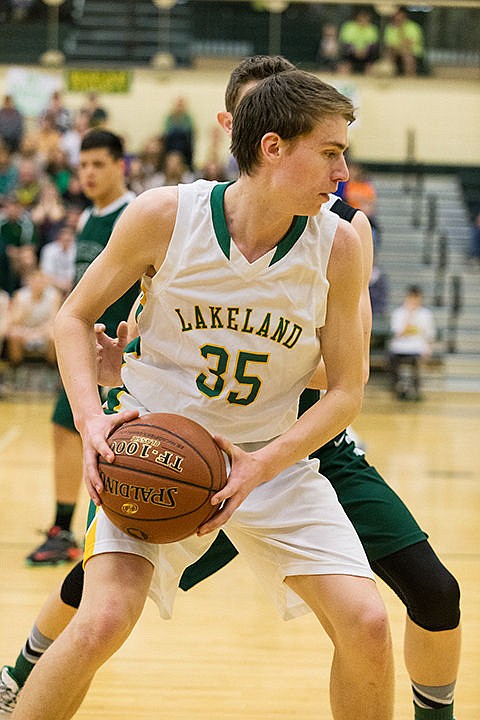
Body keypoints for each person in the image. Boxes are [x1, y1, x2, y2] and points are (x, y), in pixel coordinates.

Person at [0, 56, 461, 720]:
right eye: (331, 152)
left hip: (270, 459)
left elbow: (346, 390)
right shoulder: (166, 214)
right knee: (101, 618)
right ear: (272, 147)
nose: (344, 172)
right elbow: (71, 316)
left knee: (366, 621)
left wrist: (258, 465)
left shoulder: (338, 248)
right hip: (155, 447)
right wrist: (92, 422)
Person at [24, 129, 138, 566]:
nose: (88, 173)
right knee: (64, 427)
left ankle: (110, 538)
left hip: (125, 357)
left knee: (114, 449)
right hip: (86, 355)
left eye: (98, 164)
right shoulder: (88, 218)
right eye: (83, 165)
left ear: (119, 166)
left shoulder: (134, 213)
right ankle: (62, 528)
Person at [4, 268, 61, 369]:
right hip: (24, 330)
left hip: (44, 330)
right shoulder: (20, 296)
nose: (38, 284)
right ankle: (16, 368)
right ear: (29, 282)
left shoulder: (54, 295)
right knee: (13, 334)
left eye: (40, 281)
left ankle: (53, 368)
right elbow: (12, 322)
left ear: (45, 282)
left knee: (54, 335)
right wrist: (23, 313)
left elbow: (54, 320)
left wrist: (37, 333)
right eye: (35, 281)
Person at [389, 284, 436, 401]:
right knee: (392, 360)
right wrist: (409, 316)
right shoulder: (398, 313)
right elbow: (398, 333)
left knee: (416, 363)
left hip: (417, 348)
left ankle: (416, 389)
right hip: (399, 347)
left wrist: (429, 349)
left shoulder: (426, 314)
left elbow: (430, 335)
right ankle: (397, 388)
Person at [383, 6, 425, 77]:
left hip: (412, 51)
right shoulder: (390, 27)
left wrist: (400, 30)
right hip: (396, 50)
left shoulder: (413, 27)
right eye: (396, 16)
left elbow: (409, 43)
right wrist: (398, 48)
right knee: (388, 53)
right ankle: (387, 76)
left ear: (405, 16)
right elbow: (389, 44)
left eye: (400, 16)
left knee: (407, 54)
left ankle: (410, 76)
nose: (398, 18)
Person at [338, 6, 380, 75]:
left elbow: (372, 44)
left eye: (366, 17)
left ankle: (369, 79)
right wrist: (355, 50)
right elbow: (346, 42)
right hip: (351, 53)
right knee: (345, 55)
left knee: (373, 55)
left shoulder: (372, 28)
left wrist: (364, 51)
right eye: (362, 17)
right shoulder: (349, 26)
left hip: (367, 54)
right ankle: (344, 78)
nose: (364, 19)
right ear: (357, 17)